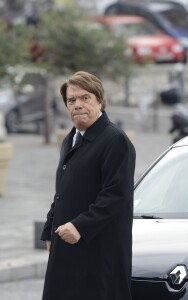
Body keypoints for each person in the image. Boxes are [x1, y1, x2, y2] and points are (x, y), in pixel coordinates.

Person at [41, 71, 136, 300]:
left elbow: (115, 195)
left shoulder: (115, 140)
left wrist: (81, 227)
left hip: (99, 251)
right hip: (67, 246)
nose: (78, 105)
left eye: (85, 98)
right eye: (71, 100)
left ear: (100, 101)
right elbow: (62, 191)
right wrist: (49, 230)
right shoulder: (71, 138)